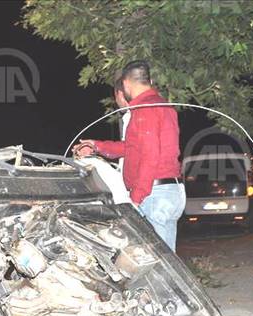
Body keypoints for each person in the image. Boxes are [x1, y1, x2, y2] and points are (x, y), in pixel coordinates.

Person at [74, 60, 185, 251]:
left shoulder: (144, 110)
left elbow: (150, 155)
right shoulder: (163, 106)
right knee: (167, 261)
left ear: (125, 84)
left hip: (154, 195)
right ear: (148, 80)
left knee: (157, 265)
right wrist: (97, 146)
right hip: (168, 192)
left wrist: (137, 196)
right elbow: (133, 147)